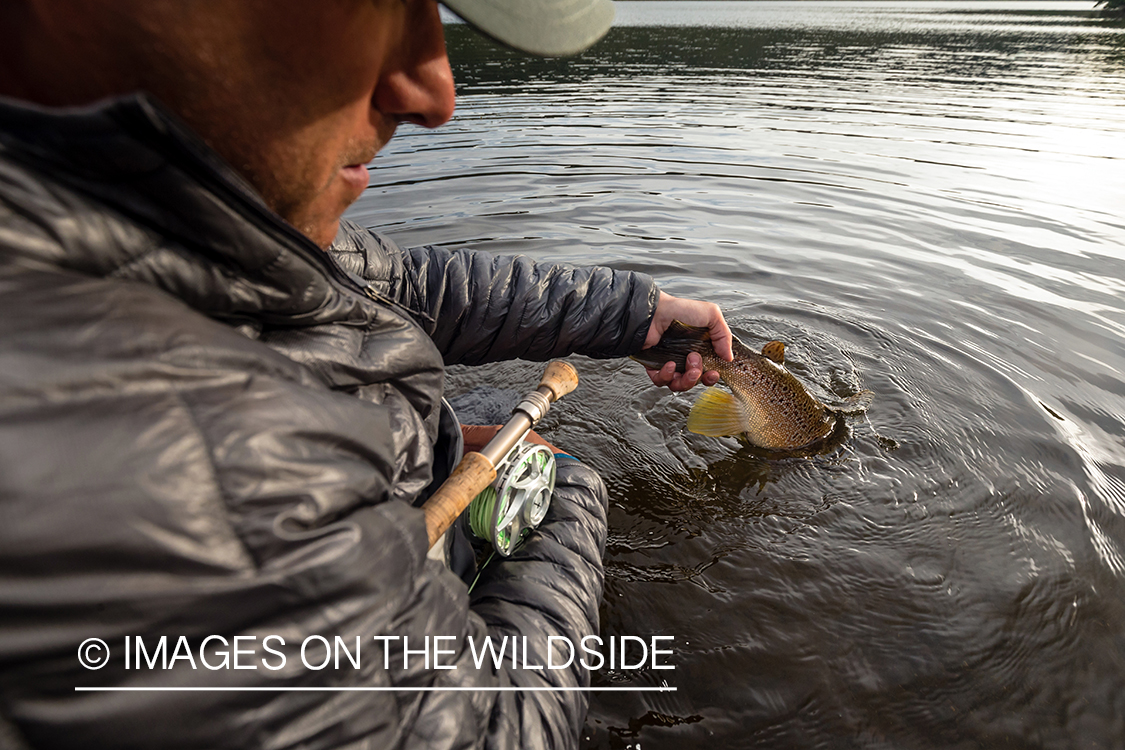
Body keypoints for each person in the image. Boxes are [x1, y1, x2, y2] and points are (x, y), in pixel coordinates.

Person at [0, 0, 733, 747]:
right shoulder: (187, 483)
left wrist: (629, 314)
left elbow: (402, 285)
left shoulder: (171, 210)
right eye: (369, 6)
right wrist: (563, 495)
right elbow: (486, 733)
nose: (433, 92)